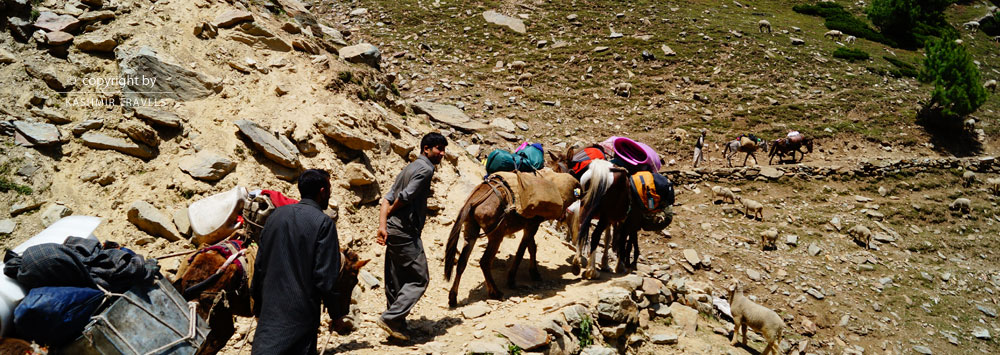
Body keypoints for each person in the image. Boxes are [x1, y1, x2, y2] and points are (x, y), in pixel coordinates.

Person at [251, 169, 344, 355]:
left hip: (270, 312)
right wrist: (336, 314)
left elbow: (260, 264)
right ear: (322, 191)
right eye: (330, 189)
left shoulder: (275, 216)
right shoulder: (323, 224)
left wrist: (258, 305)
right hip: (301, 315)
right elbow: (325, 277)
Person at [376, 132, 447, 341]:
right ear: (426, 148)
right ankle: (390, 319)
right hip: (405, 231)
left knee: (396, 279)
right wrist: (391, 214)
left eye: (443, 150)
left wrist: (383, 225)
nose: (442, 154)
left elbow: (387, 197)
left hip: (393, 230)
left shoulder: (410, 167)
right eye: (438, 149)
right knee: (419, 278)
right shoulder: (426, 169)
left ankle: (397, 327)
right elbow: (404, 197)